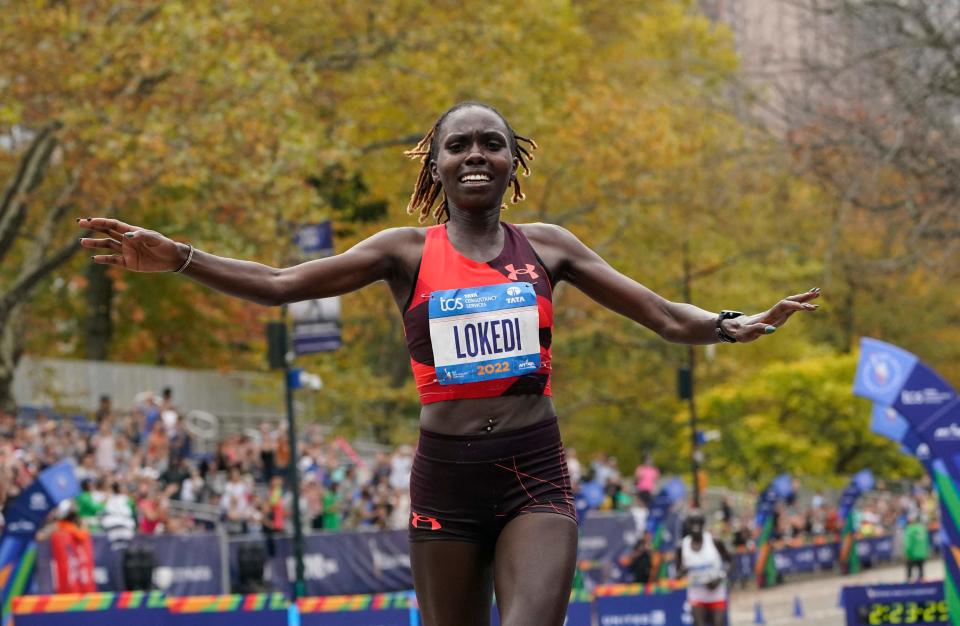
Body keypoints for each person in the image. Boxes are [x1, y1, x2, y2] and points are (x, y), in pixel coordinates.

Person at [78, 101, 819, 626]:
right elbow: (279, 285)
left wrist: (729, 324)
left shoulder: (550, 247)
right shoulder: (404, 252)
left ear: (510, 160)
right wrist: (178, 258)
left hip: (533, 469)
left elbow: (661, 314)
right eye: (458, 144)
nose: (475, 155)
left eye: (490, 143)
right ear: (435, 164)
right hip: (446, 478)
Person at [677, 511, 731, 626]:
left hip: (716, 591)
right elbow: (678, 572)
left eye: (698, 522)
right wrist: (683, 571)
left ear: (703, 524)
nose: (695, 526)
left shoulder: (714, 541)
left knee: (718, 623)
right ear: (688, 525)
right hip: (697, 592)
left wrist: (720, 577)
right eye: (692, 523)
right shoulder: (682, 546)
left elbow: (730, 561)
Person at [904, 511, 929, 582]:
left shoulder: (910, 529)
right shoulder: (922, 528)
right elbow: (926, 541)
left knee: (909, 570)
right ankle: (922, 584)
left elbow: (908, 543)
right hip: (922, 553)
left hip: (912, 554)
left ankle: (909, 585)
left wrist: (907, 553)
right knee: (921, 571)